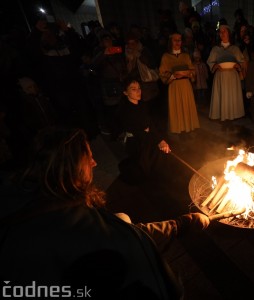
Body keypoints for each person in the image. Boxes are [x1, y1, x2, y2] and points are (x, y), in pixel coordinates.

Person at [0, 126, 210, 299]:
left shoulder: (22, 198)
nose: (95, 162)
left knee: (122, 218)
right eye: (89, 158)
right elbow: (134, 241)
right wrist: (182, 224)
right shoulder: (85, 229)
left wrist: (180, 223)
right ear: (71, 169)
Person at [117, 78, 171, 184]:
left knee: (163, 148)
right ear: (125, 92)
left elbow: (150, 124)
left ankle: (158, 177)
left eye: (139, 88)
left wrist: (160, 140)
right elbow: (136, 131)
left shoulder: (142, 105)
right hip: (136, 142)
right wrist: (156, 140)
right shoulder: (124, 110)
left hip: (146, 137)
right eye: (133, 89)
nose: (138, 91)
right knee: (146, 161)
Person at [159, 33, 200, 135]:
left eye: (179, 40)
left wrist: (189, 73)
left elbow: (192, 70)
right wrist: (173, 75)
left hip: (185, 85)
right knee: (177, 107)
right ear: (170, 42)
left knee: (186, 106)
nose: (177, 42)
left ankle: (188, 129)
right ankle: (180, 131)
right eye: (175, 40)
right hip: (174, 85)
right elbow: (162, 72)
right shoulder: (166, 57)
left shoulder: (185, 56)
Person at [207, 25, 246, 124]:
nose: (222, 33)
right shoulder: (215, 49)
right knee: (221, 94)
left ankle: (233, 114)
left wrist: (238, 66)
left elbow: (242, 61)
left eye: (224, 31)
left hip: (232, 76)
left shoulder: (234, 49)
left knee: (231, 94)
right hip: (220, 75)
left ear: (229, 33)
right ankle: (222, 114)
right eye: (220, 32)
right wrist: (214, 66)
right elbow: (210, 62)